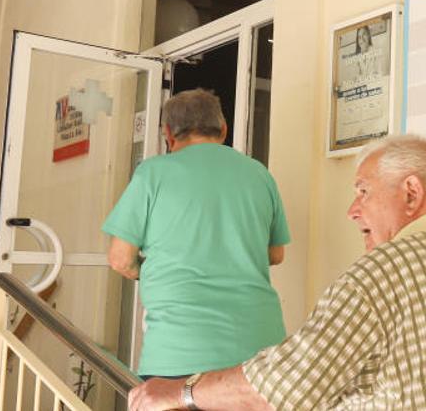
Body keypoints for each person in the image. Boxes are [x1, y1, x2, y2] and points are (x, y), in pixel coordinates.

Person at [128, 134, 426, 410]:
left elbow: (277, 388)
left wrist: (180, 391)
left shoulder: (380, 275)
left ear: (411, 193)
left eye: (363, 191)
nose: (352, 211)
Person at [103, 89, 290, 380]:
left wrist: (147, 271)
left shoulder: (152, 173)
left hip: (179, 351)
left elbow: (120, 259)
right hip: (260, 350)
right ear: (223, 129)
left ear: (168, 134)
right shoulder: (259, 174)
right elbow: (276, 253)